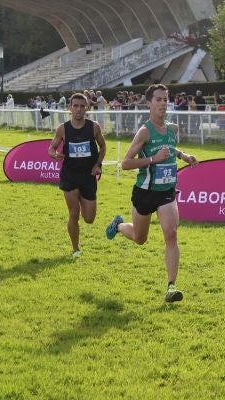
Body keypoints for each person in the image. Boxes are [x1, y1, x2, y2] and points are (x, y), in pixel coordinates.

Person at [104, 84, 198, 303]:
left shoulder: (173, 128)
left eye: (166, 99)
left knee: (171, 234)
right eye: (158, 100)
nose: (163, 103)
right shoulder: (144, 131)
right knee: (139, 238)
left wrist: (183, 155)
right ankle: (118, 225)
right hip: (145, 193)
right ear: (149, 103)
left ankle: (171, 287)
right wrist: (153, 160)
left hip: (166, 192)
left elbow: (170, 148)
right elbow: (125, 163)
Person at [47, 93, 107, 257]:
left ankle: (82, 200)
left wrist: (98, 164)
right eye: (75, 106)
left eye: (82, 106)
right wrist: (55, 154)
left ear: (87, 108)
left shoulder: (94, 127)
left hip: (88, 176)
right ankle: (76, 249)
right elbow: (51, 148)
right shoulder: (63, 128)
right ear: (70, 108)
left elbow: (102, 147)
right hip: (70, 175)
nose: (79, 109)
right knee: (73, 213)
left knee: (89, 218)